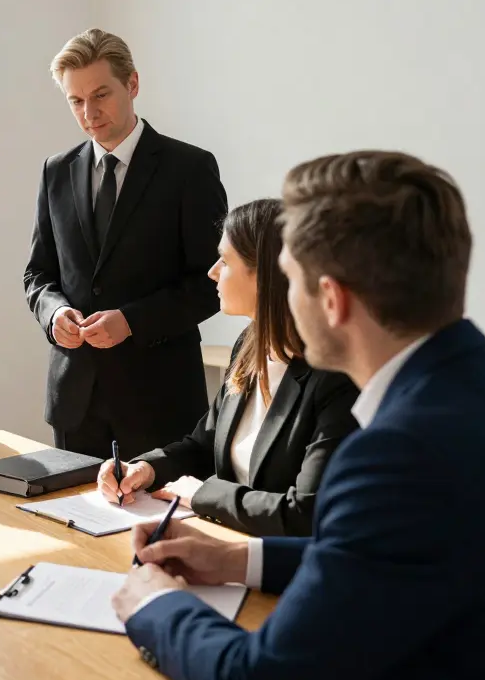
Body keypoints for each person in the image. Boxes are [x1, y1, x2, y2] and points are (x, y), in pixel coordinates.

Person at [112, 151, 485, 680]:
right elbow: (385, 552)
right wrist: (239, 561)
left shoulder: (397, 456)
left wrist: (155, 606)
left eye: (291, 278)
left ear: (331, 300)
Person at [98, 199, 359, 536]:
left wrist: (203, 494)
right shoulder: (249, 344)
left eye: (225, 260)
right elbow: (204, 445)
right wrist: (146, 468)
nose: (212, 271)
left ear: (265, 274)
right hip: (225, 543)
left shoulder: (335, 377)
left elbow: (304, 512)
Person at [24, 28, 228, 461]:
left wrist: (132, 321)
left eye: (101, 95)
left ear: (132, 84)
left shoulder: (190, 169)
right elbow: (37, 274)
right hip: (75, 401)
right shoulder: (55, 171)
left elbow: (213, 282)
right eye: (75, 101)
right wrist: (54, 311)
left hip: (161, 401)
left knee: (158, 528)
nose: (89, 113)